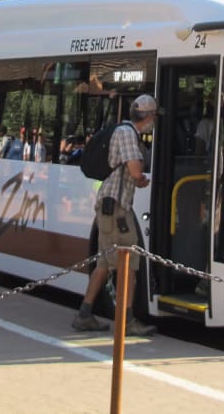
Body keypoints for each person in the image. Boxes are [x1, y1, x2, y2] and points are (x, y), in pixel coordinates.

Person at [72, 94, 159, 337]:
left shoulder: (122, 129)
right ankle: (126, 321)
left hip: (109, 205)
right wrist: (141, 178)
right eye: (154, 117)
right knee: (127, 264)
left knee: (103, 263)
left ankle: (85, 314)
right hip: (117, 209)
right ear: (149, 117)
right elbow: (134, 169)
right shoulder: (129, 134)